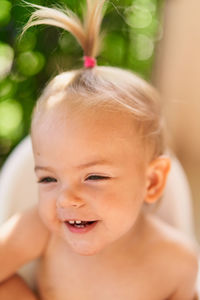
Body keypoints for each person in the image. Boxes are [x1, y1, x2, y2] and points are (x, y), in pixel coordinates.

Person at [0, 1, 199, 299]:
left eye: (94, 176)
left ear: (153, 181)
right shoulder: (40, 231)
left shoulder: (177, 263)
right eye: (48, 179)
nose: (66, 198)